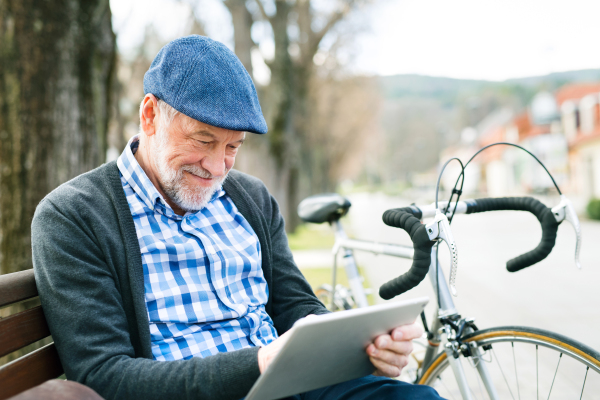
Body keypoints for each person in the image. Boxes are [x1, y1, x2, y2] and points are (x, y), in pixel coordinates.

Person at [32, 35, 442, 400]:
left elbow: (296, 304)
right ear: (150, 115)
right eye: (203, 140)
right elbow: (105, 378)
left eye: (233, 146)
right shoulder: (73, 216)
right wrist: (259, 363)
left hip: (297, 382)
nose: (215, 167)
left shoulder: (251, 198)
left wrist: (358, 346)